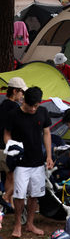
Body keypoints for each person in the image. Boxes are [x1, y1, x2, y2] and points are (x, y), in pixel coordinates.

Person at [5, 86, 52, 237]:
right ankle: (18, 224)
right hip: (20, 163)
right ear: (23, 100)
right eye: (30, 105)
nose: (33, 109)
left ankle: (30, 224)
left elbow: (47, 133)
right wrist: (11, 147)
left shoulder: (43, 112)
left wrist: (49, 156)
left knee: (35, 195)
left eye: (36, 106)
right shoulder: (13, 114)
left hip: (38, 162)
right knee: (19, 195)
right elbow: (7, 134)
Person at [0, 77, 26, 205]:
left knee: (7, 175)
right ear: (15, 91)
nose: (23, 96)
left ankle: (8, 202)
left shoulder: (3, 104)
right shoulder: (14, 107)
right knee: (13, 175)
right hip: (7, 146)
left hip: (1, 145)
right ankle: (6, 199)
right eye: (22, 92)